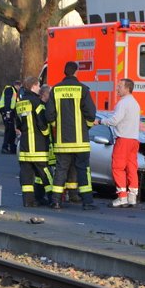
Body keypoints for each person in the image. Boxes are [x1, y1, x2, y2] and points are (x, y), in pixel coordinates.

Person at [44, 61, 98, 210]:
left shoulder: (55, 90)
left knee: (61, 171)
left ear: (64, 72)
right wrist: (85, 127)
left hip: (62, 141)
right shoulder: (82, 89)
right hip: (81, 141)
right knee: (83, 170)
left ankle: (56, 201)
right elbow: (91, 114)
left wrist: (57, 126)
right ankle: (87, 202)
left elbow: (49, 115)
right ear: (76, 72)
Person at [96, 79, 142, 208]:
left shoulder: (123, 103)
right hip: (134, 139)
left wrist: (100, 122)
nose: (117, 89)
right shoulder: (135, 103)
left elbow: (114, 120)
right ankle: (132, 196)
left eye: (120, 86)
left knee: (118, 167)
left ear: (127, 89)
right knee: (131, 167)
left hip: (123, 139)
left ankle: (122, 197)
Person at [15, 77, 53, 207]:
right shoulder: (37, 102)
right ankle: (53, 199)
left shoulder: (20, 102)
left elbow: (18, 123)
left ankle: (28, 201)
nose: (39, 88)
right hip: (38, 145)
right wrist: (47, 134)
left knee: (26, 176)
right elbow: (42, 123)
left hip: (25, 146)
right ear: (33, 86)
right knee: (45, 173)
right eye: (38, 86)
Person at [0, 79, 21, 154]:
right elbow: (7, 102)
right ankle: (5, 147)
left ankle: (11, 146)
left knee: (11, 130)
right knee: (9, 130)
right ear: (17, 85)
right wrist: (7, 113)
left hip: (10, 113)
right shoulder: (9, 89)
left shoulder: (14, 91)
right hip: (6, 111)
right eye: (19, 87)